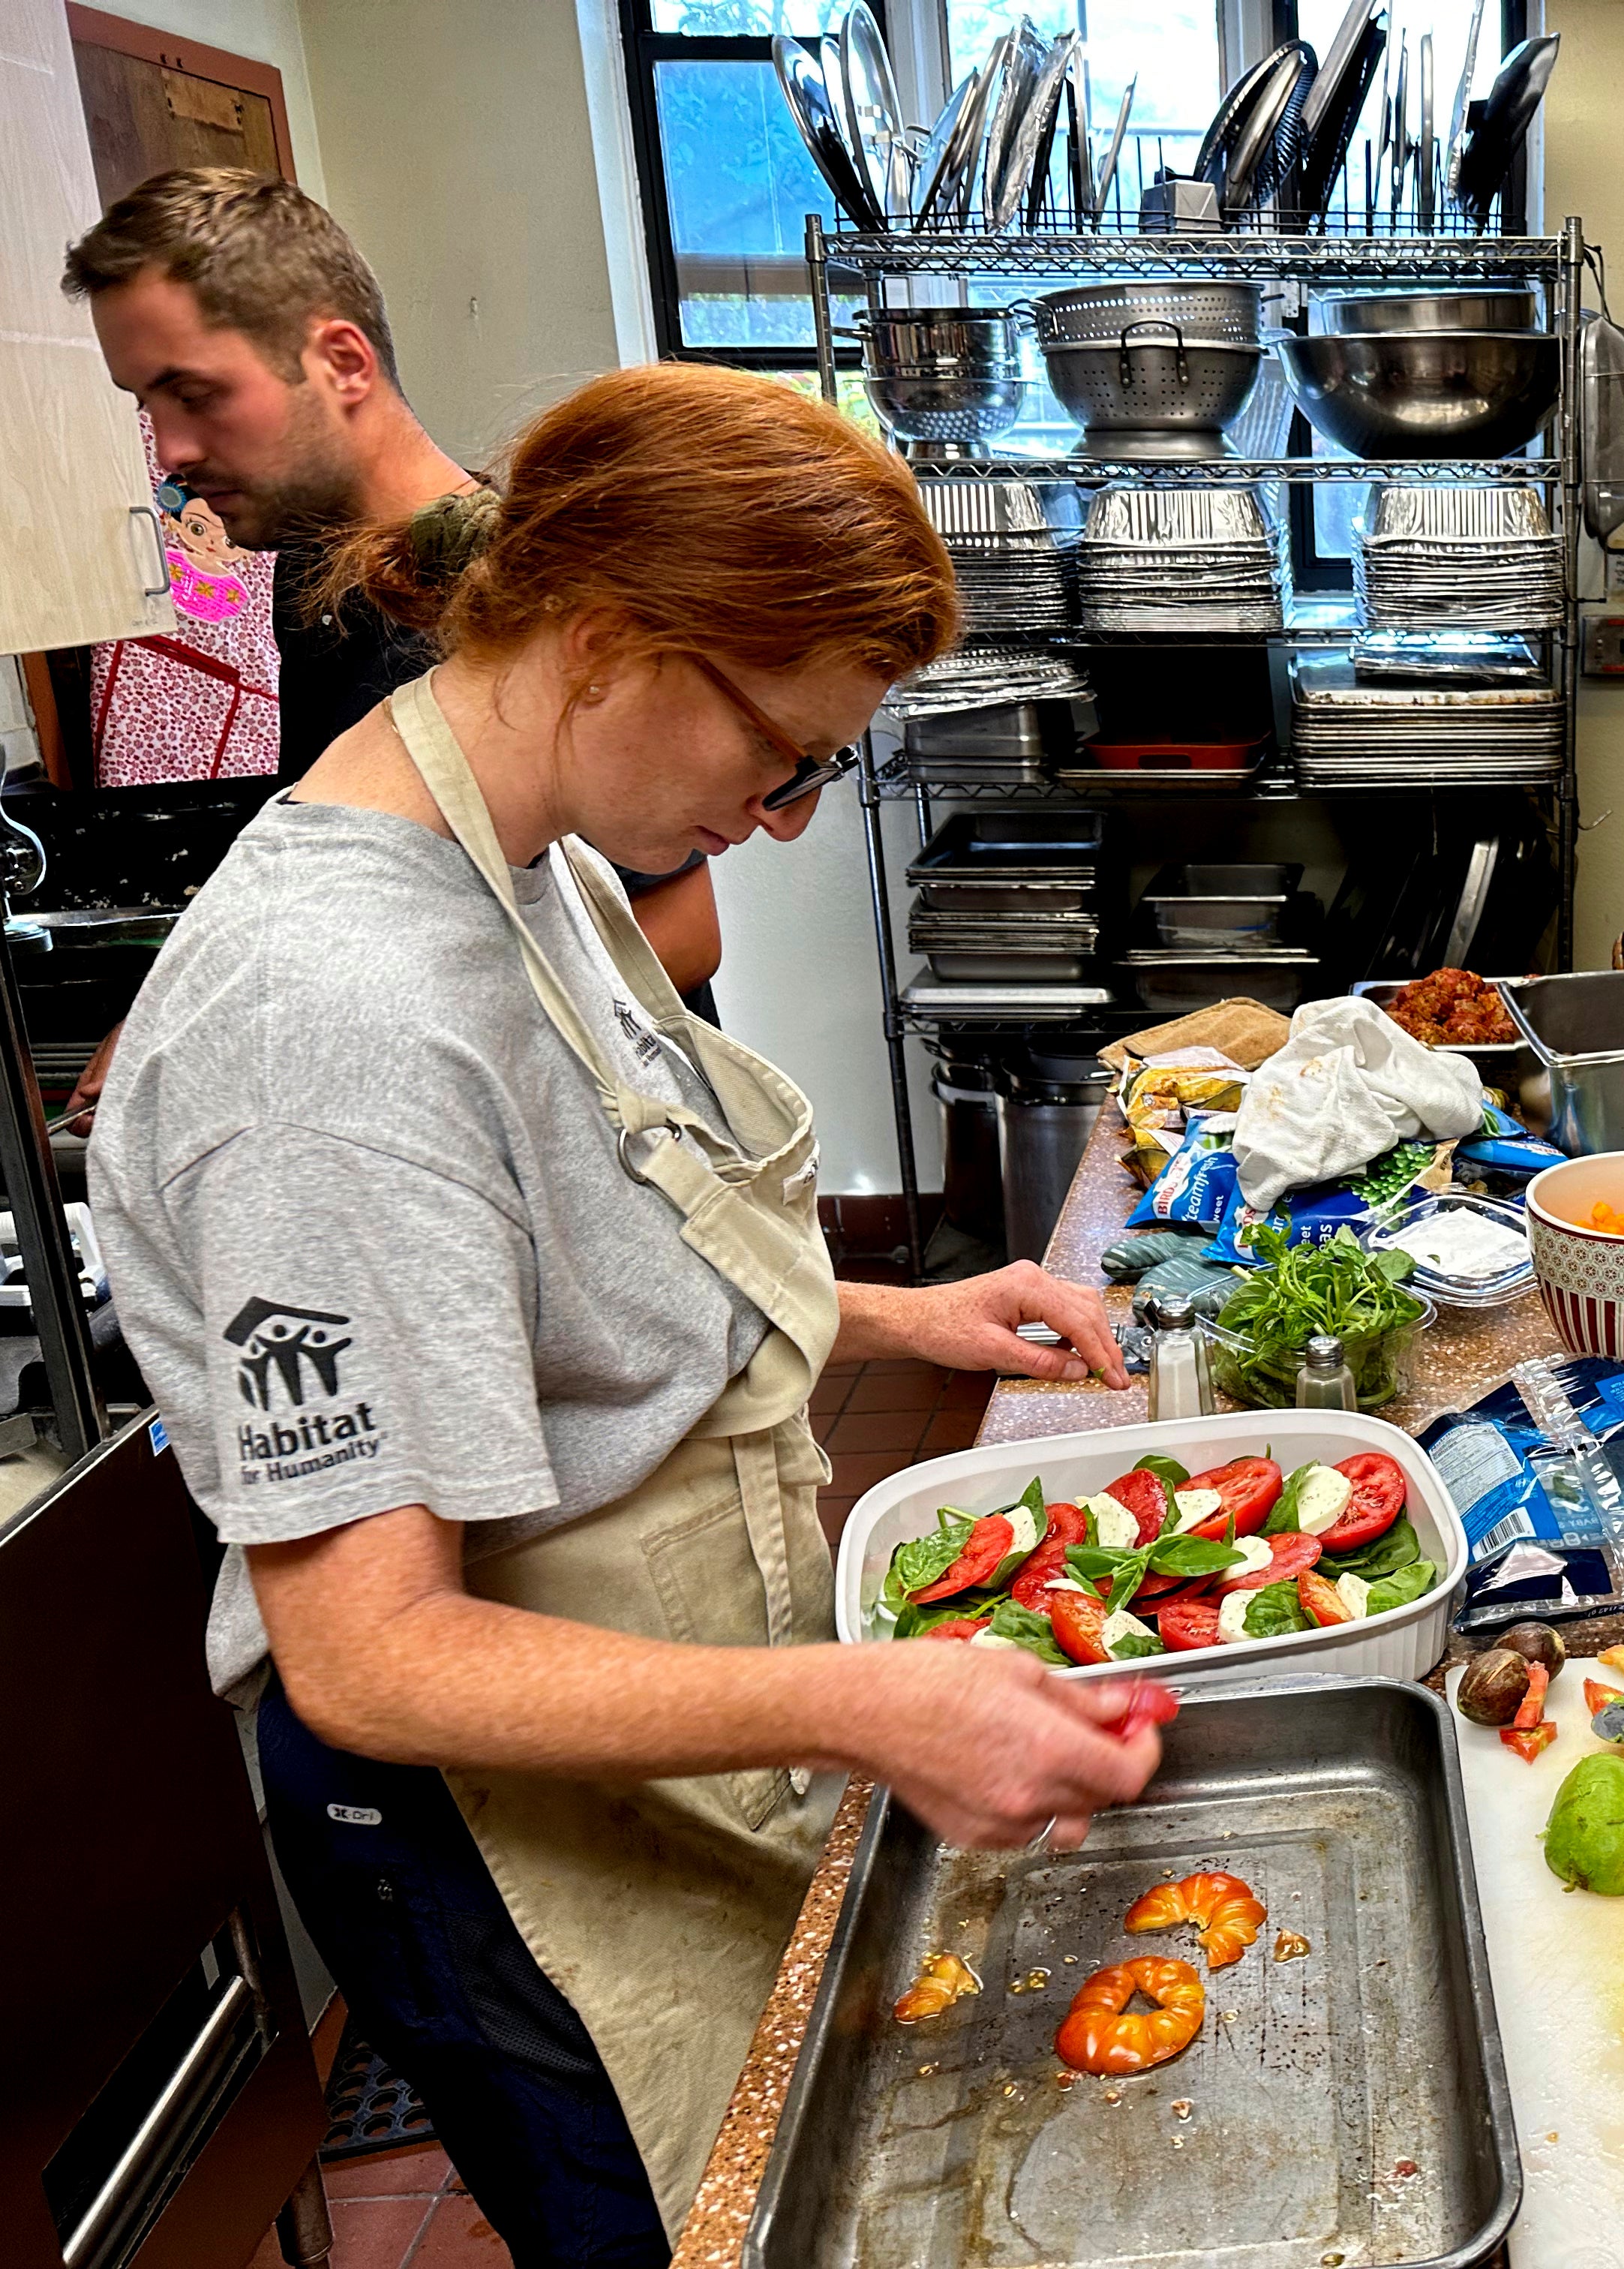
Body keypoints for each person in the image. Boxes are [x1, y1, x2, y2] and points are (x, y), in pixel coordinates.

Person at [89, 362, 1160, 2267]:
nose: (777, 819)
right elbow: (371, 1657)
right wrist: (865, 1707)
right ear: (606, 647)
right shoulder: (325, 1028)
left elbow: (586, 1252)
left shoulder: (536, 867)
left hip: (625, 1729)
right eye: (784, 756)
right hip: (482, 1838)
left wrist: (899, 1317)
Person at [59, 168, 725, 1122]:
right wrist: (185, 1006)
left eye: (195, 396)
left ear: (342, 362)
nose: (170, 451)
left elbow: (683, 931)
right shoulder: (315, 586)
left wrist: (278, 1031)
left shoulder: (515, 598)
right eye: (146, 406)